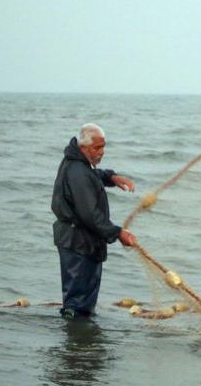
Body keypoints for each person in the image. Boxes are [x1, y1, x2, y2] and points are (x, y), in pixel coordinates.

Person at [51, 123, 137, 318]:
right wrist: (118, 233)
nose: (102, 152)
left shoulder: (78, 164)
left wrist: (112, 177)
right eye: (97, 148)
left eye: (104, 146)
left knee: (83, 299)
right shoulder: (77, 171)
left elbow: (93, 175)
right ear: (83, 147)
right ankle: (77, 342)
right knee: (77, 302)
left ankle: (82, 342)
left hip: (81, 241)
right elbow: (90, 214)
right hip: (77, 243)